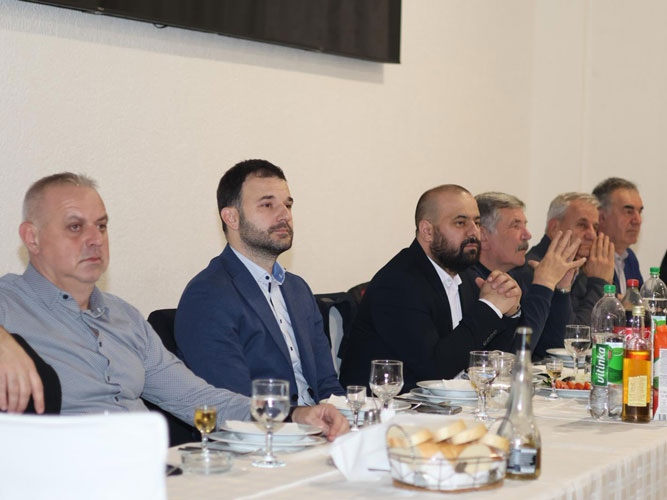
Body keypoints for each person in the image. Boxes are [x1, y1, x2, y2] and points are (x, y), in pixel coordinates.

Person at [0, 173, 347, 439]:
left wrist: (292, 415)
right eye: (75, 227)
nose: (94, 239)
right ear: (31, 237)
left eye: (101, 226)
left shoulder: (124, 317)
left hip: (149, 469)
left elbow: (197, 399)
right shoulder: (9, 304)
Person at [175, 160, 344, 405]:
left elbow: (328, 385)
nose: (284, 215)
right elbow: (233, 403)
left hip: (316, 423)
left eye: (288, 205)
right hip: (264, 426)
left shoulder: (298, 289)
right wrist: (300, 417)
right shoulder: (207, 295)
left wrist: (345, 416)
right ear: (232, 218)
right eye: (267, 205)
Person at [338, 184, 522, 391]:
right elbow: (434, 370)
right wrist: (488, 308)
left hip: (446, 404)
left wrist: (509, 311)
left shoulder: (468, 277)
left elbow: (490, 358)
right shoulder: (398, 283)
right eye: (460, 223)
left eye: (477, 222)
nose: (474, 232)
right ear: (427, 231)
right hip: (385, 405)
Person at [472, 192, 584, 359]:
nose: (527, 235)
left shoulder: (521, 276)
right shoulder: (471, 282)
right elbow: (516, 354)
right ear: (484, 236)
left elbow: (553, 348)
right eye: (516, 226)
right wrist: (543, 284)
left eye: (525, 225)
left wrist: (561, 290)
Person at [526, 192, 615, 326]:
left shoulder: (584, 267)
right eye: (582, 225)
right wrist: (598, 283)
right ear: (554, 227)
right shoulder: (535, 270)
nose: (592, 235)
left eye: (595, 227)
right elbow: (576, 333)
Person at [593, 177, 644, 295]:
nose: (638, 220)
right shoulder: (589, 259)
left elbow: (639, 303)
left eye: (639, 212)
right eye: (629, 212)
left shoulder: (629, 258)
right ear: (601, 217)